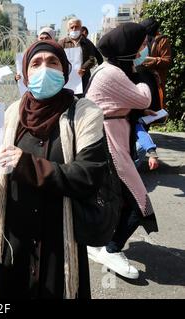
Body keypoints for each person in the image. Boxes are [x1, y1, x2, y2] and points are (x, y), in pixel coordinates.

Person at [0, 40, 107, 299]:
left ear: (65, 69)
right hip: (13, 238)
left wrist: (27, 164)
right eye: (36, 63)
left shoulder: (85, 114)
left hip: (59, 237)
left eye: (53, 62)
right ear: (25, 74)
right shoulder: (10, 114)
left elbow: (88, 175)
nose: (44, 69)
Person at [86, 23, 159, 279]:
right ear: (128, 47)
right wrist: (142, 78)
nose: (145, 49)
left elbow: (126, 103)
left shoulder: (110, 69)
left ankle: (101, 243)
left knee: (117, 197)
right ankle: (111, 248)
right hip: (110, 142)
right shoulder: (112, 74)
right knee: (139, 200)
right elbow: (144, 98)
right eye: (142, 45)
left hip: (114, 137)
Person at [59, 18, 98, 96]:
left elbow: (92, 59)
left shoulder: (87, 43)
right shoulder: (62, 43)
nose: (74, 29)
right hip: (66, 79)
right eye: (72, 27)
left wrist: (83, 68)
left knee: (82, 101)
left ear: (80, 28)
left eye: (76, 27)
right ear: (68, 30)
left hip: (83, 78)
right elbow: (58, 58)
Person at [140, 17, 172, 110]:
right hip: (141, 78)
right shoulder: (141, 40)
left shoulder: (162, 40)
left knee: (156, 107)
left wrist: (151, 60)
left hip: (155, 80)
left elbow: (167, 61)